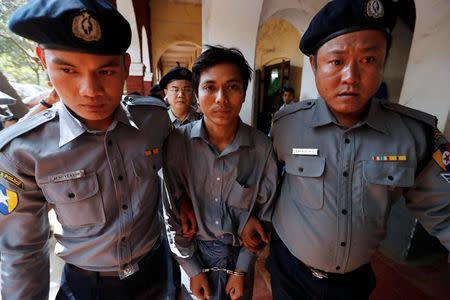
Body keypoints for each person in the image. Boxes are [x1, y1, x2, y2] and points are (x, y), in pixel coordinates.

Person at [242, 0, 450, 299]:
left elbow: (445, 210)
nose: (351, 76)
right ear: (314, 64)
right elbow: (269, 183)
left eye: (368, 60)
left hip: (353, 282)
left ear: (383, 61)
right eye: (337, 61)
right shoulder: (286, 125)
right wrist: (254, 217)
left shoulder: (415, 135)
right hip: (290, 272)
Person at [0, 1, 175, 299]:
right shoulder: (22, 150)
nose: (89, 90)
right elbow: (21, 252)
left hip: (157, 272)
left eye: (105, 71)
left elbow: (176, 176)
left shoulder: (154, 119)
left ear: (124, 66)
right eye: (68, 69)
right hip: (88, 287)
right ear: (43, 59)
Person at [162, 45, 278, 300]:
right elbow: (171, 213)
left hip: (239, 257)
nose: (221, 99)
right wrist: (192, 269)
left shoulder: (261, 148)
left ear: (245, 93)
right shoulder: (178, 143)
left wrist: (242, 269)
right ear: (197, 93)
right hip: (193, 253)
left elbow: (264, 214)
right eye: (210, 87)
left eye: (232, 87)